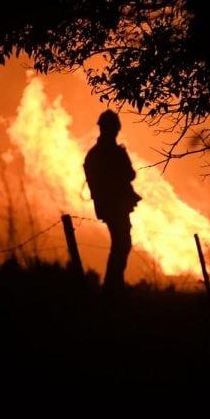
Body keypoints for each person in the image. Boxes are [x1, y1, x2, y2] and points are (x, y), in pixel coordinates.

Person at [84, 109, 142, 296]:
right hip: (114, 205)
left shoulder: (94, 154)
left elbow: (128, 174)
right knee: (122, 243)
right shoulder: (110, 154)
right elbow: (129, 174)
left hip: (110, 205)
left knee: (121, 243)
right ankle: (112, 286)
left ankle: (114, 285)